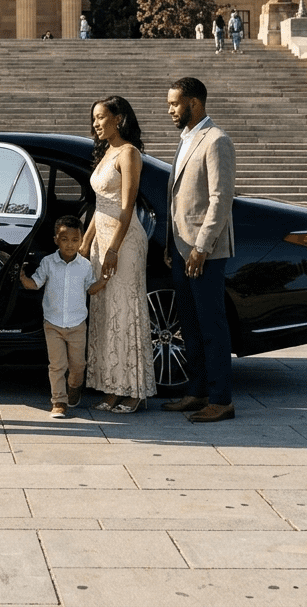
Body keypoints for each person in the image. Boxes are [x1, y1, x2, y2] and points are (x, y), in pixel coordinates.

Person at [164, 77, 236, 423]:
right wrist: (171, 245)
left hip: (205, 252)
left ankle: (221, 399)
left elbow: (221, 200)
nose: (170, 110)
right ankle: (196, 392)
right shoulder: (185, 140)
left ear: (194, 103)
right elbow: (177, 199)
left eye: (175, 104)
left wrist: (201, 247)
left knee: (212, 326)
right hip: (180, 249)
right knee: (189, 326)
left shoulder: (216, 140)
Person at [82, 95, 156, 414]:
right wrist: (86, 244)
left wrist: (113, 248)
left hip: (125, 242)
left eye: (102, 117)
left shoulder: (129, 153)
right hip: (103, 238)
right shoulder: (106, 152)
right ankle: (112, 388)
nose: (97, 123)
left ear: (119, 118)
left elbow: (127, 207)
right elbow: (100, 208)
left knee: (125, 312)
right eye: (94, 119)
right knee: (105, 314)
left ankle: (134, 390)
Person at [19, 215, 106, 418]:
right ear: (56, 239)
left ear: (82, 240)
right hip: (53, 324)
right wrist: (24, 279)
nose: (70, 244)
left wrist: (103, 282)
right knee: (57, 365)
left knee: (78, 366)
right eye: (64, 239)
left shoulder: (85, 266)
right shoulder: (48, 263)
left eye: (75, 240)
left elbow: (90, 289)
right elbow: (36, 283)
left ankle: (74, 387)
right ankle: (59, 401)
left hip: (77, 325)